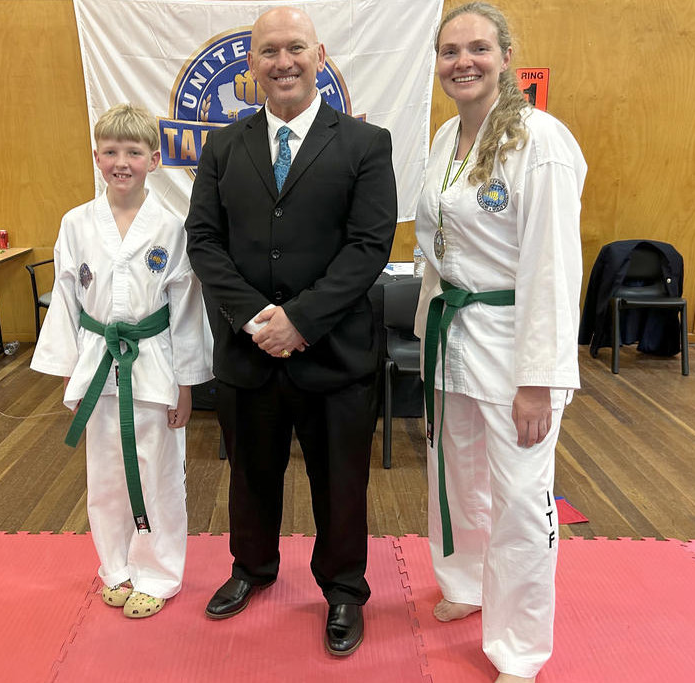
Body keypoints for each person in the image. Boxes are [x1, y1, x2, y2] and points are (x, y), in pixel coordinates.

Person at [184, 6, 397, 656]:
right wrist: (256, 317)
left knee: (340, 482)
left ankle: (342, 589)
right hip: (250, 353)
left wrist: (301, 319)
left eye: (295, 48)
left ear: (320, 54)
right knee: (250, 474)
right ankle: (250, 567)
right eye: (269, 50)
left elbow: (369, 246)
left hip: (335, 352)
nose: (283, 61)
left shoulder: (366, 143)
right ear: (251, 63)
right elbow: (203, 239)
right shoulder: (222, 145)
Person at [413, 3, 586, 681]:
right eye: (450, 51)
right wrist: (427, 323)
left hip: (515, 342)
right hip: (452, 334)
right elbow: (437, 249)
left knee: (520, 495)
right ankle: (463, 582)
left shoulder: (538, 141)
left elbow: (552, 265)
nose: (464, 62)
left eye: (478, 48)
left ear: (506, 56)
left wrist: (539, 377)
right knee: (453, 474)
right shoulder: (444, 139)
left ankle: (518, 643)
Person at [31, 103, 212, 619]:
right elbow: (65, 296)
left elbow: (185, 308)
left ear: (155, 159)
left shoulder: (171, 227)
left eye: (133, 152)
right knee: (106, 473)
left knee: (158, 473)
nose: (121, 162)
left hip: (153, 360)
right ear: (96, 157)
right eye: (110, 151)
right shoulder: (76, 222)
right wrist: (71, 368)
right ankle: (115, 566)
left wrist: (187, 383)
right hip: (96, 359)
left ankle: (158, 572)